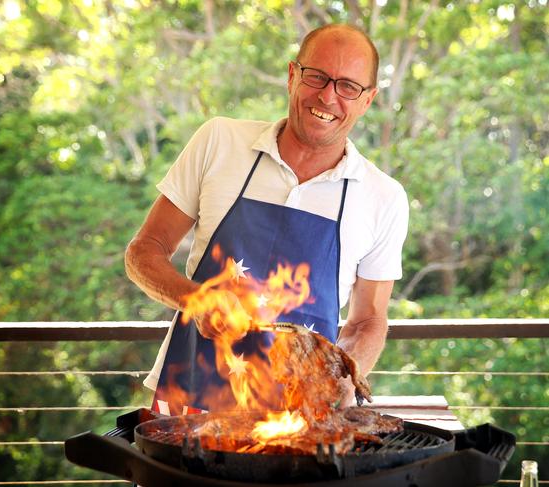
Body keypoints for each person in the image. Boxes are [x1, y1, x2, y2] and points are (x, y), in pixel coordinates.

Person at [125, 23, 409, 415]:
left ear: (368, 99)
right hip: (188, 402)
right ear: (293, 76)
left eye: (348, 86)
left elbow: (367, 321)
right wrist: (196, 300)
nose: (328, 96)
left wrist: (343, 383)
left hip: (299, 418)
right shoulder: (219, 141)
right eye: (317, 76)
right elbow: (144, 252)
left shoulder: (384, 197)